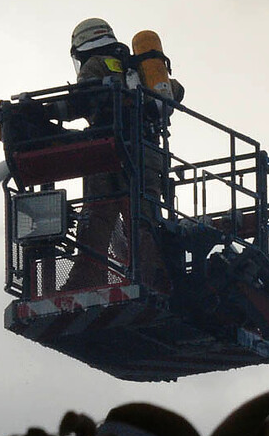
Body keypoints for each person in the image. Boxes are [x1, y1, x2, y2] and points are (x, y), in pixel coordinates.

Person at [64, 18, 182, 293]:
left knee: (97, 216)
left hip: (107, 152)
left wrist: (39, 109)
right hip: (148, 153)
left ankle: (87, 278)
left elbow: (79, 100)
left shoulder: (95, 65)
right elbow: (175, 91)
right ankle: (151, 277)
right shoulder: (141, 69)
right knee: (143, 216)